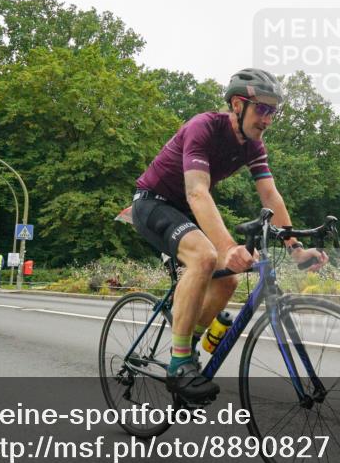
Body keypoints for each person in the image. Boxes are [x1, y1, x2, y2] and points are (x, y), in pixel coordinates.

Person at [131, 68, 328, 403]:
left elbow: (270, 196)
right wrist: (227, 246)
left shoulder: (254, 146)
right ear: (238, 105)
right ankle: (179, 363)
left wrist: (295, 247)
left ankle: (188, 342)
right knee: (206, 256)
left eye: (273, 112)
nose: (267, 119)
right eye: (262, 109)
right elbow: (196, 192)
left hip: (184, 212)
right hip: (153, 203)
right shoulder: (203, 127)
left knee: (230, 279)